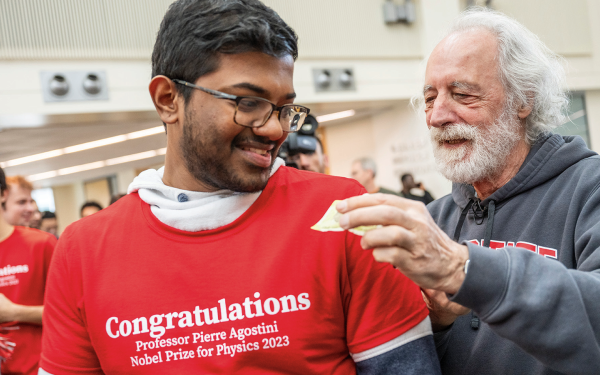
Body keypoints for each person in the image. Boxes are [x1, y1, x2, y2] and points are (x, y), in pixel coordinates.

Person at [39, 1, 439, 374]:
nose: (274, 129)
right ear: (167, 100)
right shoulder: (82, 251)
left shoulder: (344, 212)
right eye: (248, 102)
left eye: (285, 108)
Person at [335, 7, 600, 375]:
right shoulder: (436, 219)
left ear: (523, 100)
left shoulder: (589, 188)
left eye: (461, 94)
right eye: (430, 98)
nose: (437, 116)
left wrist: (464, 270)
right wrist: (439, 323)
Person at [0, 167, 56, 375]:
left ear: (3, 194)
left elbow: (74, 315)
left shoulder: (41, 244)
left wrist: (14, 312)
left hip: (39, 368)